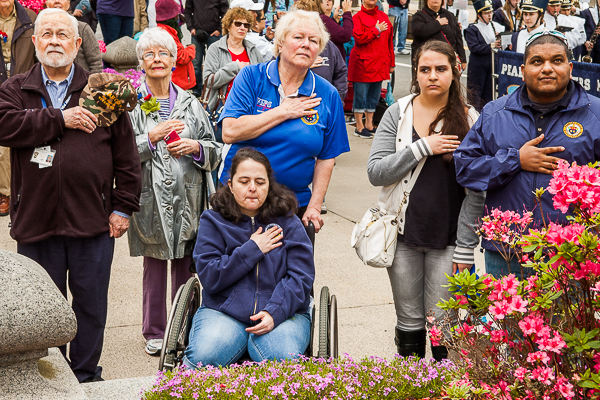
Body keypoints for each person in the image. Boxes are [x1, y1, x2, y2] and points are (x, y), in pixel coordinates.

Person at [0, 8, 142, 382]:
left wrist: (123, 207)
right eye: (46, 34)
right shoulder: (16, 88)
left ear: (78, 43)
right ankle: (50, 376)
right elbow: (5, 126)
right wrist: (60, 119)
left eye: (63, 35)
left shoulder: (103, 90)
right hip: (36, 218)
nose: (54, 41)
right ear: (35, 41)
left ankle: (84, 376)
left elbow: (126, 156)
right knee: (43, 309)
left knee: (91, 306)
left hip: (92, 219)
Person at [368, 39, 484, 361]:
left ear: (454, 71)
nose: (433, 75)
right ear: (415, 74)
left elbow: (477, 191)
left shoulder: (470, 117)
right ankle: (412, 383)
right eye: (425, 69)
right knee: (409, 323)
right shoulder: (398, 113)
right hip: (403, 236)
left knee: (442, 326)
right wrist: (423, 147)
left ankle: (442, 388)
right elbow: (376, 172)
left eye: (441, 69)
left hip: (448, 241)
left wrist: (465, 245)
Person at [455, 31, 600, 279]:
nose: (547, 68)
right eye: (536, 62)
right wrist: (515, 161)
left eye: (556, 60)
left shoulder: (596, 113)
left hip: (573, 252)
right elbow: (464, 168)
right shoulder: (494, 113)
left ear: (570, 66)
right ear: (522, 69)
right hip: (506, 252)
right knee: (511, 319)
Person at [127, 27, 220, 357]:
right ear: (141, 63)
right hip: (150, 196)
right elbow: (119, 152)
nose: (156, 60)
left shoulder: (191, 103)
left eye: (163, 54)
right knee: (154, 263)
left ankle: (185, 326)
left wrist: (195, 147)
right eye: (149, 54)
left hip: (188, 196)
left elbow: (215, 149)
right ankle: (154, 329)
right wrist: (151, 138)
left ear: (173, 60)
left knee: (185, 262)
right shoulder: (132, 103)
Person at [218, 10, 350, 233]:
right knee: (236, 266)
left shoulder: (327, 94)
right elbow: (230, 131)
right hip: (239, 203)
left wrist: (315, 206)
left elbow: (327, 157)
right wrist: (282, 112)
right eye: (298, 37)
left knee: (294, 268)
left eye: (313, 40)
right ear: (280, 42)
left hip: (293, 206)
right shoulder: (251, 77)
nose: (306, 45)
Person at [183, 148, 314, 368]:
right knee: (203, 358)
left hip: (282, 314)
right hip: (224, 312)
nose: (252, 188)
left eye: (260, 182)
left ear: (269, 185)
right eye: (244, 181)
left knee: (281, 359)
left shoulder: (289, 222)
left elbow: (301, 277)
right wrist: (252, 249)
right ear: (231, 185)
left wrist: (276, 311)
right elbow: (210, 277)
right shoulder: (213, 221)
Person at [0, 0, 36, 218]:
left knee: (24, 137)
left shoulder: (29, 18)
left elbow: (36, 55)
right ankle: (5, 193)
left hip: (21, 85)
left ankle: (18, 192)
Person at [202, 6, 262, 135]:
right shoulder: (215, 49)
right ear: (228, 26)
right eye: (238, 23)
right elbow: (208, 81)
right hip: (222, 110)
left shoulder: (253, 50)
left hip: (249, 111)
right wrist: (235, 67)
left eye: (246, 25)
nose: (242, 28)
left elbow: (262, 82)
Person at [348, 0, 394, 139]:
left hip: (379, 63)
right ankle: (359, 126)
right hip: (363, 64)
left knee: (374, 96)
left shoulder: (384, 16)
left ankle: (369, 124)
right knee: (360, 96)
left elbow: (389, 42)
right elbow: (359, 38)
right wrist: (376, 30)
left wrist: (391, 62)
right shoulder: (357, 17)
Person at [292, 0, 348, 101]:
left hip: (323, 107)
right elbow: (275, 71)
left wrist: (337, 100)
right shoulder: (286, 44)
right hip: (292, 105)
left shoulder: (328, 45)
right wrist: (302, 66)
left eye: (309, 18)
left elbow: (341, 72)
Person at [465, 0, 504, 111]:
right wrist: (490, 46)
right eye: (486, 13)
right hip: (478, 66)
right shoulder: (472, 29)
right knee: (475, 94)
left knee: (489, 94)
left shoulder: (495, 27)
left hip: (491, 64)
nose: (489, 15)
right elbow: (474, 47)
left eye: (490, 13)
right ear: (479, 15)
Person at [184, 0, 229, 96]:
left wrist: (219, 30)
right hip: (197, 34)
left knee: (215, 64)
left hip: (214, 34)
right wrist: (191, 28)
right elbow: (187, 12)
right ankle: (197, 91)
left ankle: (212, 90)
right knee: (196, 63)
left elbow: (225, 13)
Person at [46, 0, 103, 73]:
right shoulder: (39, 29)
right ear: (46, 4)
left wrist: (93, 83)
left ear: (68, 4)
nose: (57, 1)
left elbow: (96, 62)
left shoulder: (82, 28)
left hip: (81, 82)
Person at [411, 0, 467, 73]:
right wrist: (437, 24)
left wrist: (463, 59)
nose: (435, 0)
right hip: (427, 62)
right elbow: (419, 32)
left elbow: (458, 38)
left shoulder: (449, 15)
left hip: (447, 60)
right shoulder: (419, 16)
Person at [155, 0, 197, 90]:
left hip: (174, 82)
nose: (178, 16)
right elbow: (182, 57)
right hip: (177, 83)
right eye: (177, 14)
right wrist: (191, 48)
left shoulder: (162, 30)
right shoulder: (168, 35)